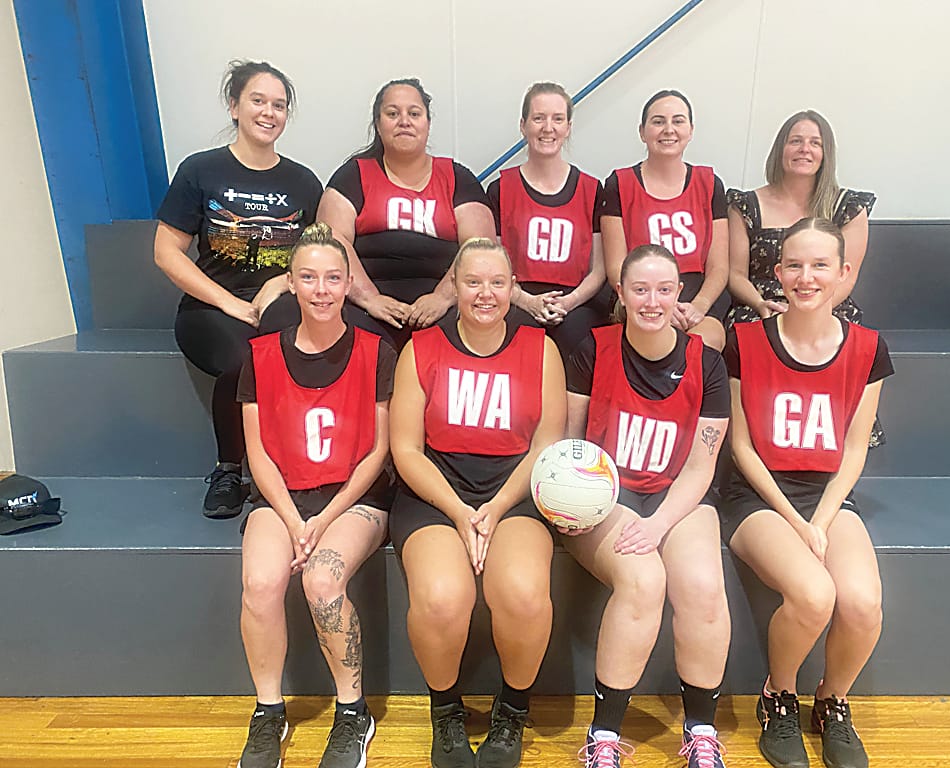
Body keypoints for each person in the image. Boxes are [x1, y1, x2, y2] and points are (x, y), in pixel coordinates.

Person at [721, 218, 892, 768]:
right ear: (776, 273)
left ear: (844, 274)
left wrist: (820, 517)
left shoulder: (868, 348)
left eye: (820, 265)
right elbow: (742, 449)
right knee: (815, 595)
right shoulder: (744, 342)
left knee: (863, 605)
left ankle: (833, 701)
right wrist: (798, 525)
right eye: (794, 264)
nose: (806, 276)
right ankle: (779, 696)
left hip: (827, 493)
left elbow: (855, 449)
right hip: (758, 494)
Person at [389, 238, 566, 768]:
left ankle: (512, 710)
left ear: (513, 288)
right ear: (454, 288)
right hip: (436, 490)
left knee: (523, 592)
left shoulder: (542, 349)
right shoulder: (422, 349)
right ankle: (445, 711)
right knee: (442, 598)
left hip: (514, 487)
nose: (485, 293)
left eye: (497, 282)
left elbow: (546, 445)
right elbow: (404, 448)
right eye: (472, 282)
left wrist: (494, 507)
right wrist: (460, 511)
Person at [234, 223, 396, 768]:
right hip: (282, 498)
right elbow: (257, 454)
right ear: (291, 283)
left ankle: (353, 712)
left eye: (332, 277)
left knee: (322, 579)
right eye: (309, 277)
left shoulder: (378, 352)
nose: (322, 289)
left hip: (354, 500)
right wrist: (292, 517)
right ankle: (268, 711)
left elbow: (378, 450)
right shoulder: (258, 355)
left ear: (349, 283)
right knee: (260, 583)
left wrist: (322, 519)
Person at [564, 244, 731, 768]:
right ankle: (603, 737)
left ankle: (701, 730)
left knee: (703, 587)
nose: (652, 300)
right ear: (621, 294)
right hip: (603, 496)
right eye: (640, 289)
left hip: (675, 497)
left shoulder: (709, 364)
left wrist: (658, 523)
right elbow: (571, 448)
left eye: (663, 289)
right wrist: (598, 505)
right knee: (644, 580)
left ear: (679, 294)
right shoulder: (591, 349)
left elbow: (701, 468)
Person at [154, 60, 323, 519]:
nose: (269, 113)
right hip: (210, 307)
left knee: (304, 348)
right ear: (234, 106)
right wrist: (230, 302)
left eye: (279, 105)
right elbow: (166, 252)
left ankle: (303, 468)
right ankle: (230, 469)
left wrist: (279, 282)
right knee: (244, 359)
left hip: (278, 301)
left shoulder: (303, 182)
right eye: (258, 101)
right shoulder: (201, 170)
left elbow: (317, 254)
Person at [726, 110, 881, 446]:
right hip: (761, 304)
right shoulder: (745, 203)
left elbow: (847, 276)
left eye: (815, 142)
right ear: (781, 148)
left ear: (826, 153)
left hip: (825, 303)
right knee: (744, 333)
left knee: (841, 335)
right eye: (795, 141)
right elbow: (735, 274)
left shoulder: (848, 206)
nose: (804, 149)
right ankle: (749, 440)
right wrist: (762, 304)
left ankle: (832, 444)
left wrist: (806, 311)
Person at [317, 78, 495, 350]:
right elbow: (332, 244)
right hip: (365, 310)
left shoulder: (458, 178)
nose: (404, 121)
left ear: (427, 123)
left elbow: (480, 249)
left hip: (445, 309)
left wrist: (442, 298)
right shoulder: (353, 177)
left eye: (414, 113)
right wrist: (370, 299)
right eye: (392, 113)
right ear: (378, 124)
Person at [486, 82, 610, 361]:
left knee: (581, 342)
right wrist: (526, 301)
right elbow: (492, 264)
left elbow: (599, 270)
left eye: (557, 119)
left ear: (568, 127)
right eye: (538, 118)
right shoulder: (500, 189)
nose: (548, 127)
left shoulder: (592, 190)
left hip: (576, 302)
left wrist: (568, 302)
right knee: (516, 344)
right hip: (516, 298)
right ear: (523, 125)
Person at [601, 90, 729, 351]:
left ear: (691, 130)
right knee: (653, 342)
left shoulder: (710, 184)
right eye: (658, 121)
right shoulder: (619, 184)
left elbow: (719, 267)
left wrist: (699, 307)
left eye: (678, 121)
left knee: (704, 343)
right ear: (642, 131)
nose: (668, 129)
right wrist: (659, 308)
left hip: (696, 296)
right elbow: (616, 264)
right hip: (642, 299)